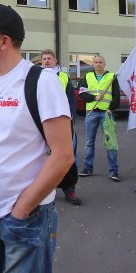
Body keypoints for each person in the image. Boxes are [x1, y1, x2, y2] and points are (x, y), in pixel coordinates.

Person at [0, 3, 73, 273]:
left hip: (25, 218)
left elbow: (63, 155)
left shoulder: (41, 81)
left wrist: (23, 207)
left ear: (5, 41)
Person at [40, 48, 81, 205]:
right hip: (42, 123)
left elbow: (71, 101)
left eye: (49, 58)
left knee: (65, 157)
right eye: (44, 59)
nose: (46, 61)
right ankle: (42, 191)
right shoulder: (35, 77)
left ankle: (69, 190)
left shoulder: (63, 77)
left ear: (55, 61)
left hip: (61, 124)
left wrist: (70, 122)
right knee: (41, 157)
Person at [78, 55, 120, 180]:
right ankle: (87, 168)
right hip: (91, 113)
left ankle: (113, 171)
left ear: (104, 64)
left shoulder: (111, 77)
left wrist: (111, 109)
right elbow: (82, 93)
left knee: (110, 143)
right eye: (96, 62)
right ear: (93, 64)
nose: (98, 64)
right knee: (89, 142)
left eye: (100, 62)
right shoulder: (88, 76)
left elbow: (116, 96)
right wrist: (93, 98)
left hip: (106, 113)